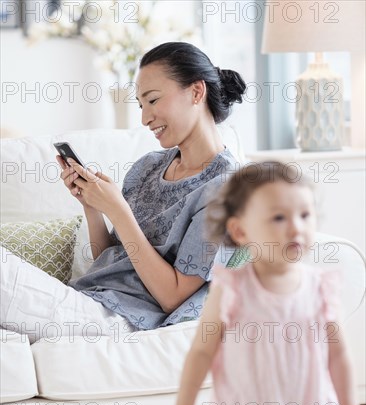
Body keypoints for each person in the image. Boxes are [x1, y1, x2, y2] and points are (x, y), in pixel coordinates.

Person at [0, 42, 246, 342]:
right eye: (141, 106)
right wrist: (91, 205)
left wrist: (118, 210)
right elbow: (110, 259)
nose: (145, 119)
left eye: (153, 100)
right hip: (85, 300)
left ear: (196, 92)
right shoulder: (148, 168)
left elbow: (174, 297)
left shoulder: (224, 189)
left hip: (126, 319)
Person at [171, 161, 358, 405]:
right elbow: (202, 350)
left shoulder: (319, 288)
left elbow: (339, 355)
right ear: (240, 230)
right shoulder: (233, 288)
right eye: (278, 217)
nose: (296, 227)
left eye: (304, 214)